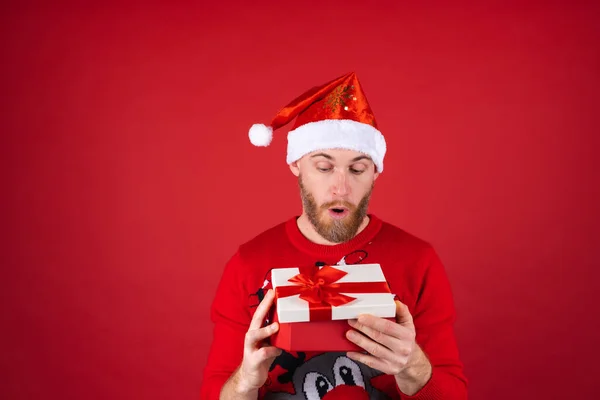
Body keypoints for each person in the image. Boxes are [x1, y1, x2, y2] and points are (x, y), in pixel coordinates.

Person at [200, 72, 467, 399]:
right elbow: (216, 388)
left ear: (376, 173)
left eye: (357, 169)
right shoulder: (249, 264)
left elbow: (452, 391)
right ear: (296, 165)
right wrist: (244, 382)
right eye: (324, 167)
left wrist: (414, 367)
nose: (340, 188)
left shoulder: (418, 261)